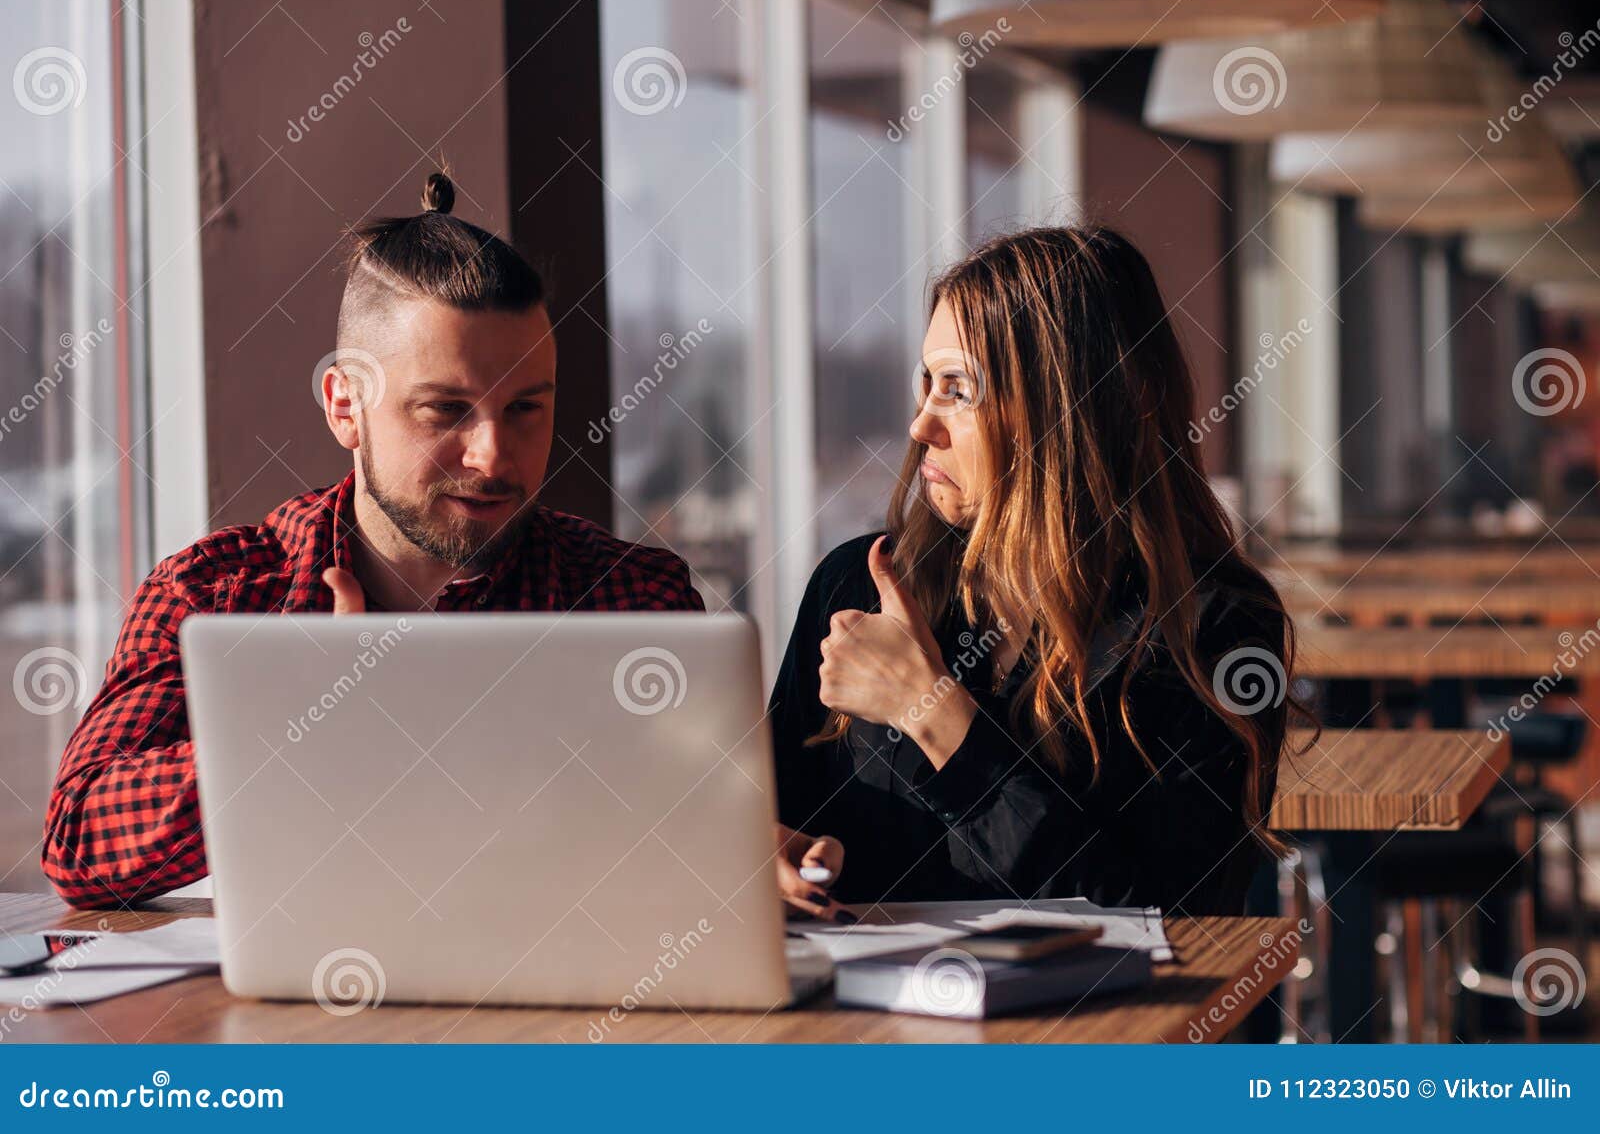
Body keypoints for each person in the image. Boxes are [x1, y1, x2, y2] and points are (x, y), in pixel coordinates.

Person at [43, 172, 704, 909]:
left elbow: (711, 829)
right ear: (344, 406)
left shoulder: (633, 597)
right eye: (445, 410)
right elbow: (78, 841)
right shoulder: (216, 595)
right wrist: (297, 732)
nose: (492, 455)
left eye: (524, 408)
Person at [769, 226, 1301, 920]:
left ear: (1075, 406)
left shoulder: (1214, 626)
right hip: (860, 1024)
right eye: (926, 383)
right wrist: (767, 856)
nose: (920, 425)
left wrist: (932, 711)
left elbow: (1171, 918)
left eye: (957, 389)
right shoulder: (854, 586)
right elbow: (763, 817)